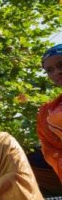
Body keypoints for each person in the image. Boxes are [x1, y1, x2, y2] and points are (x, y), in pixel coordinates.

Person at [38, 43, 62, 180]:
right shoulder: (46, 113)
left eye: (61, 65)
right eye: (50, 70)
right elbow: (50, 149)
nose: (56, 72)